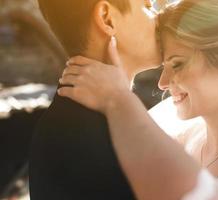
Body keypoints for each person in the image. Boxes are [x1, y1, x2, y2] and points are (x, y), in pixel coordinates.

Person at [58, 0, 218, 199]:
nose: (162, 82)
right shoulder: (168, 122)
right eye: (164, 65)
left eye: (178, 64)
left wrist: (119, 99)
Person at [29, 0, 161, 199]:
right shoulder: (86, 138)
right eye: (148, 7)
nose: (160, 17)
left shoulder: (68, 117)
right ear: (107, 18)